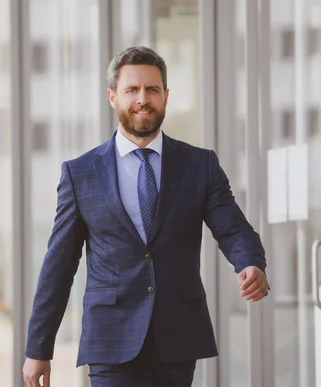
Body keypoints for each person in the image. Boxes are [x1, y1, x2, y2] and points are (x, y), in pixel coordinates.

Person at [23, 46, 269, 387]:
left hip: (178, 334)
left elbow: (232, 228)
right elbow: (59, 263)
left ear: (166, 96)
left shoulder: (199, 166)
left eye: (152, 89)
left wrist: (250, 262)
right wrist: (39, 348)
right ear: (113, 97)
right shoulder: (81, 174)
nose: (143, 99)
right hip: (111, 339)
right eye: (132, 90)